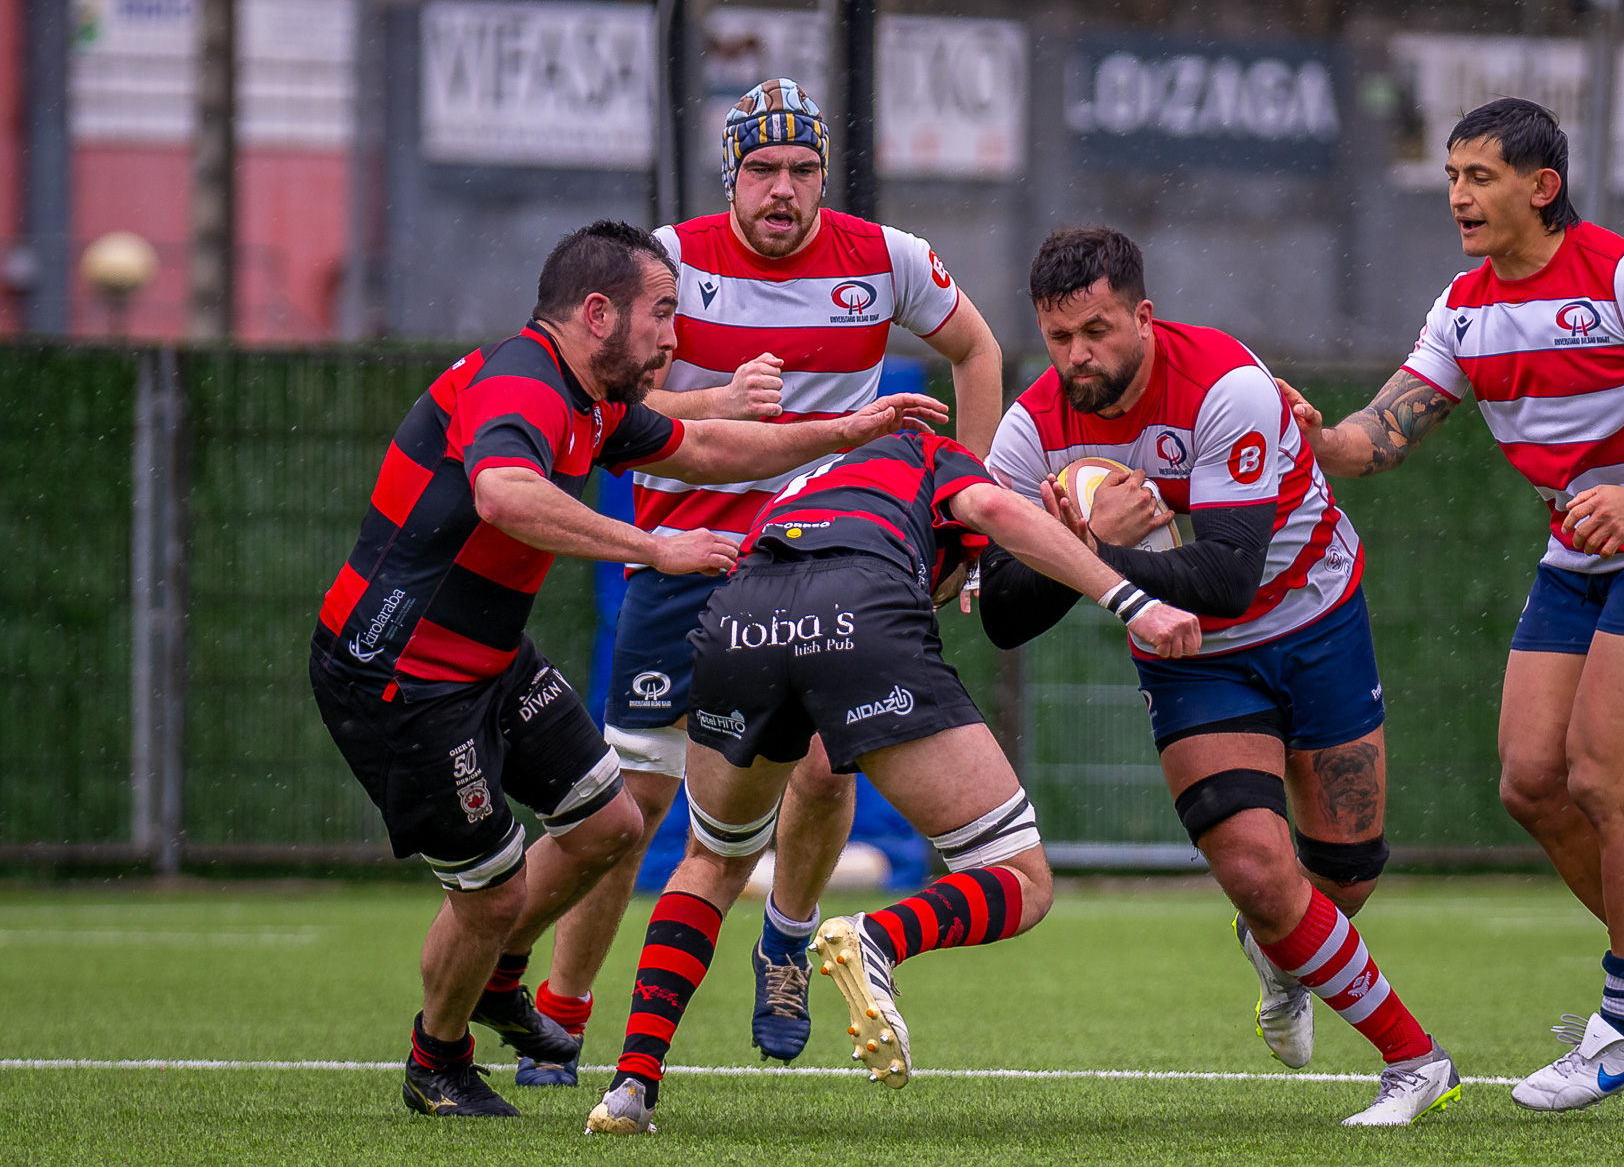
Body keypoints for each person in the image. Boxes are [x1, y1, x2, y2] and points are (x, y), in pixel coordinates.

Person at [308, 219, 947, 1118]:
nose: (673, 339)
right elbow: (502, 493)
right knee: (488, 901)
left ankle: (498, 985)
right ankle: (436, 1061)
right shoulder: (523, 386)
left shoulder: (587, 397)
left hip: (485, 660)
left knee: (611, 823)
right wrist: (655, 546)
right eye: (660, 316)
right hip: (401, 677)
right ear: (598, 313)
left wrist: (853, 429)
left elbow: (710, 450)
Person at [1278, 98, 1624, 1111]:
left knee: (1602, 776)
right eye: (1453, 177)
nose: (1458, 196)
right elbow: (1383, 435)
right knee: (1532, 784)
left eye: (1480, 176)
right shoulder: (1464, 308)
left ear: (1540, 187)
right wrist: (1319, 436)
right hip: (1581, 557)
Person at [527, 77, 1004, 1083]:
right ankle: (564, 1016)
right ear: (730, 175)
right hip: (685, 562)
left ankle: (785, 939)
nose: (782, 190)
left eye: (802, 171)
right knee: (632, 810)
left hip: (828, 568)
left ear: (825, 176)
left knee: (830, 770)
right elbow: (614, 395)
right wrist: (714, 398)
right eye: (762, 170)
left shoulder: (886, 260)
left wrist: (967, 507)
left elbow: (977, 350)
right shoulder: (669, 260)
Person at [583, 428, 1203, 1136]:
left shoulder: (812, 490)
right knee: (1021, 877)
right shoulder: (934, 453)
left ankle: (632, 1084)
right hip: (860, 613)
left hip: (739, 616)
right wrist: (1133, 600)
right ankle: (878, 938)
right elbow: (996, 517)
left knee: (713, 857)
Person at [979, 226, 1460, 1127]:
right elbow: (1003, 615)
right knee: (1253, 863)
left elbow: (1231, 573)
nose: (1078, 357)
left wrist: (1092, 551)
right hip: (1194, 656)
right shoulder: (1030, 430)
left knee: (1343, 877)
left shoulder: (1227, 388)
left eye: (1098, 331)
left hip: (1313, 619)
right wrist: (1079, 552)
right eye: (1058, 337)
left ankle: (1279, 950)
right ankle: (1415, 1060)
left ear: (1144, 316)